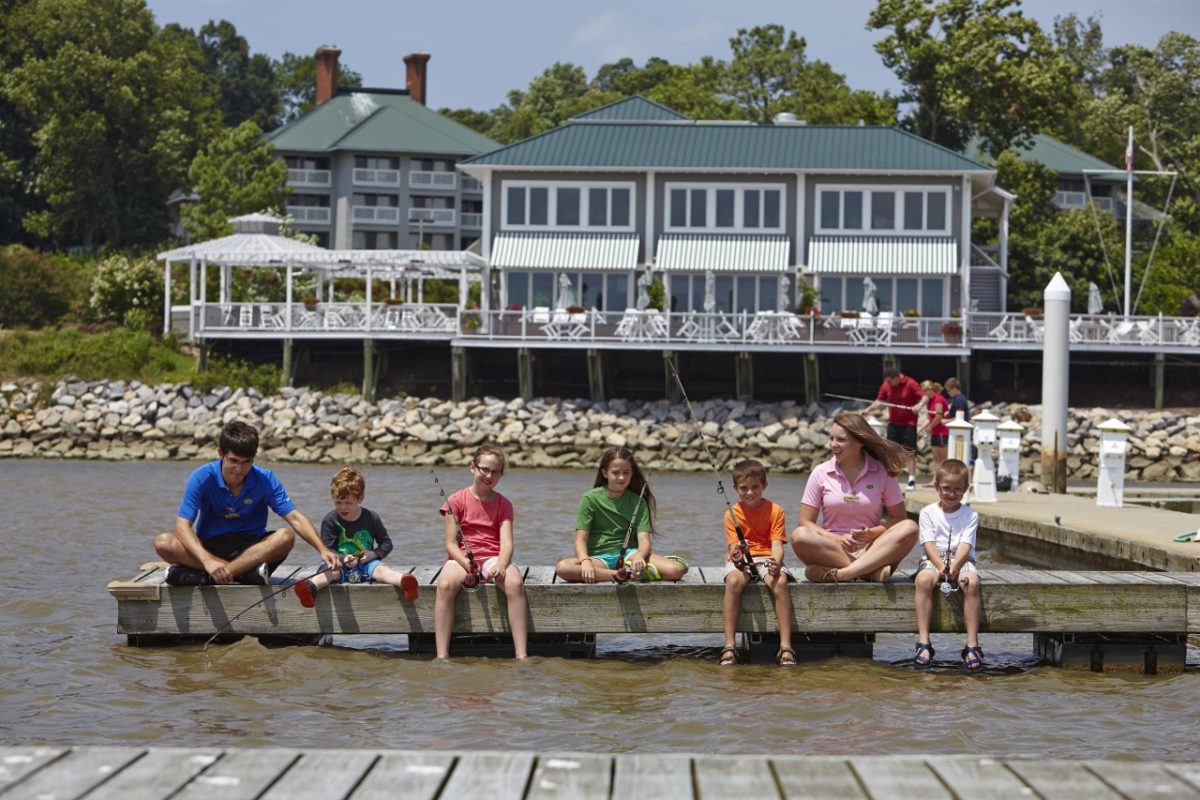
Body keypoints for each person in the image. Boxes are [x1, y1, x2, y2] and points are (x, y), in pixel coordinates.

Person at [154, 420, 339, 586]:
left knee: (285, 537)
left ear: (254, 458)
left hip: (252, 549)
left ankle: (211, 577)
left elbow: (295, 518)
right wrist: (207, 560)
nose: (239, 469)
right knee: (163, 543)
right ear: (220, 454)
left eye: (246, 462)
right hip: (210, 547)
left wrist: (323, 549)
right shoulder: (201, 477)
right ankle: (241, 575)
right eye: (233, 461)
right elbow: (182, 526)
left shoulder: (265, 479)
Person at [791, 412, 919, 583]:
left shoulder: (883, 472)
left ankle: (844, 574)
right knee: (799, 536)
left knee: (910, 527)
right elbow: (805, 521)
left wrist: (871, 534)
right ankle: (870, 572)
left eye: (841, 440)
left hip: (875, 549)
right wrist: (838, 539)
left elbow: (899, 518)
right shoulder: (820, 473)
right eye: (832, 438)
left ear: (860, 441)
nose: (833, 444)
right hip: (832, 550)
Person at [435, 444, 528, 659]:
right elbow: (450, 544)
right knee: (445, 585)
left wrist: (501, 565)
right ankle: (442, 655)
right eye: (484, 469)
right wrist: (468, 564)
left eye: (495, 472)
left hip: (494, 557)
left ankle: (521, 654)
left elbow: (507, 544)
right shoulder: (455, 500)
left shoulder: (504, 504)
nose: (488, 475)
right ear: (472, 467)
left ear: (500, 475)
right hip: (462, 559)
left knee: (515, 584)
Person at [555, 446, 688, 584]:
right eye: (615, 472)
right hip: (599, 559)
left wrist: (639, 556)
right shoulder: (589, 499)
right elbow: (580, 540)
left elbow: (644, 541)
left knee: (675, 571)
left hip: (630, 555)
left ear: (632, 473)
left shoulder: (638, 501)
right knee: (563, 568)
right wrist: (585, 561)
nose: (621, 477)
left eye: (626, 472)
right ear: (605, 473)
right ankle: (623, 575)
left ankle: (632, 570)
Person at [292, 466, 420, 608]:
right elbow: (327, 550)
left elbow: (386, 543)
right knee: (327, 573)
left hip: (366, 564)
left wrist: (373, 554)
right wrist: (342, 559)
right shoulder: (330, 520)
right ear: (332, 498)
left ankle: (404, 582)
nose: (343, 507)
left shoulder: (371, 517)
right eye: (338, 502)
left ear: (360, 499)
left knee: (382, 571)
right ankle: (310, 588)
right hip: (339, 566)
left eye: (348, 503)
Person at [720, 459, 794, 667]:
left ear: (764, 486)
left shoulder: (776, 511)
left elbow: (777, 545)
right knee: (733, 582)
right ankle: (729, 645)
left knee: (780, 583)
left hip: (767, 556)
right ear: (735, 488)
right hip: (742, 559)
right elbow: (732, 549)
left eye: (755, 487)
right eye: (744, 488)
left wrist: (776, 563)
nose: (750, 492)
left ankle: (786, 646)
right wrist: (738, 553)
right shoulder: (730, 515)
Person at [913, 459, 983, 671]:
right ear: (937, 486)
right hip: (934, 558)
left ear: (966, 489)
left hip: (962, 559)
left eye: (957, 490)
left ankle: (972, 644)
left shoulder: (971, 515)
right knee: (923, 580)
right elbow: (928, 543)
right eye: (946, 489)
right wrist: (940, 565)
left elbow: (966, 544)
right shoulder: (927, 512)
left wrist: (954, 566)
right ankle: (924, 642)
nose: (951, 494)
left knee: (971, 582)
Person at [862, 366, 923, 489]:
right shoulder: (886, 385)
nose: (888, 384)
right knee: (890, 452)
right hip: (893, 424)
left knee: (909, 452)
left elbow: (924, 396)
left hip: (909, 424)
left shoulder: (910, 383)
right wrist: (868, 409)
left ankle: (911, 480)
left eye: (890, 381)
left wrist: (919, 405)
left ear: (897, 378)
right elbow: (879, 401)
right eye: (887, 381)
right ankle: (891, 479)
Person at [917, 380, 950, 479]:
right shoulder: (930, 401)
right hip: (935, 432)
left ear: (930, 389)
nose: (924, 393)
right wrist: (921, 428)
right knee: (936, 458)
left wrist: (929, 428)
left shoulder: (938, 399)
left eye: (925, 391)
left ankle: (944, 478)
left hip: (942, 432)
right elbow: (929, 418)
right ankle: (936, 478)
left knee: (943, 458)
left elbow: (938, 417)